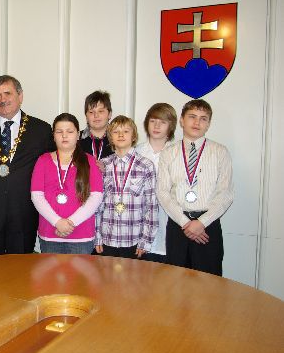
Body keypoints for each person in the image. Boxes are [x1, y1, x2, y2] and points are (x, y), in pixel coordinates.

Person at [0, 75, 54, 255]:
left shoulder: (41, 129)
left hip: (24, 215)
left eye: (7, 93)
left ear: (20, 96)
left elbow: (55, 167)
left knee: (20, 271)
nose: (2, 99)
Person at [156, 99, 233, 276]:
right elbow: (162, 192)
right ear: (182, 120)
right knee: (176, 282)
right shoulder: (168, 152)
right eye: (192, 117)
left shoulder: (220, 152)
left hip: (208, 225)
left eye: (203, 118)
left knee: (208, 282)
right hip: (178, 224)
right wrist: (185, 223)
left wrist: (201, 223)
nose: (197, 122)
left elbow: (226, 193)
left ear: (209, 124)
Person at [31, 113, 103, 254]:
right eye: (59, 132)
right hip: (50, 234)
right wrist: (57, 222)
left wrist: (70, 223)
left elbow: (96, 196)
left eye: (70, 131)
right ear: (53, 136)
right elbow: (37, 196)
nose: (64, 136)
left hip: (81, 235)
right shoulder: (43, 160)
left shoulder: (90, 161)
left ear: (78, 135)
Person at [95, 115, 158, 259]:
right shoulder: (103, 165)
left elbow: (152, 206)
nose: (121, 135)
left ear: (134, 136)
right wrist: (97, 235)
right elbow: (97, 205)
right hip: (107, 238)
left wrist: (146, 241)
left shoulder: (145, 165)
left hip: (134, 239)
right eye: (116, 131)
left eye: (126, 131)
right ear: (110, 137)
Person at [135, 103, 178, 263]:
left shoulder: (177, 153)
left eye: (163, 122)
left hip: (168, 219)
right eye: (153, 121)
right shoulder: (136, 152)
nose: (157, 126)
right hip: (139, 222)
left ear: (171, 126)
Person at [79, 91, 114, 162]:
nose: (96, 115)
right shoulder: (76, 140)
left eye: (100, 111)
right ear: (86, 116)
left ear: (109, 114)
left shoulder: (119, 139)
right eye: (91, 112)